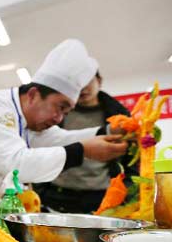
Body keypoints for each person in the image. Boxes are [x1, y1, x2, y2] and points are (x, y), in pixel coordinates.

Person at [0, 39, 128, 198]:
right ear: (34, 95)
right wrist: (83, 151)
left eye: (66, 113)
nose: (59, 119)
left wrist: (108, 131)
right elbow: (15, 163)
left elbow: (59, 138)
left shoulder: (28, 122)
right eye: (60, 107)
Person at [35, 71, 136, 213]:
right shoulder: (55, 114)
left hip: (101, 196)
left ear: (99, 81)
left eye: (87, 80)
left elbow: (133, 160)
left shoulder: (119, 116)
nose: (83, 87)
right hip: (57, 196)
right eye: (77, 82)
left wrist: (125, 192)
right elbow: (41, 146)